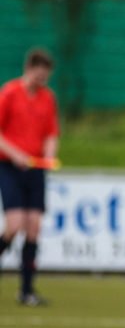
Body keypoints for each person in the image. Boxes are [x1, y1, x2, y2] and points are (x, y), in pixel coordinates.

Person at [0, 48, 59, 307]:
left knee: (34, 227)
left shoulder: (48, 98)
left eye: (45, 77)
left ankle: (26, 291)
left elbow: (51, 133)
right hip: (10, 167)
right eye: (39, 75)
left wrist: (49, 153)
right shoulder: (10, 93)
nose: (42, 81)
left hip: (36, 170)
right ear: (29, 69)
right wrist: (15, 154)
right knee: (14, 226)